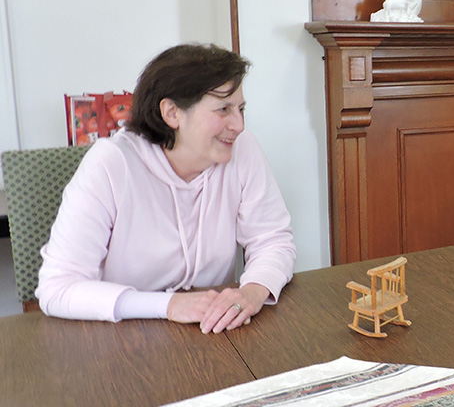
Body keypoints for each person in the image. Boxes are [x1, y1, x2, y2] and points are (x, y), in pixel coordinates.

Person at [36, 44, 297, 333]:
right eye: (224, 109)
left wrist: (252, 292)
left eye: (240, 109)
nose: (238, 125)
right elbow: (57, 289)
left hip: (213, 331)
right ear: (171, 113)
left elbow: (273, 241)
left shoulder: (241, 150)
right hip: (121, 337)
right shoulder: (111, 163)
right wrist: (169, 305)